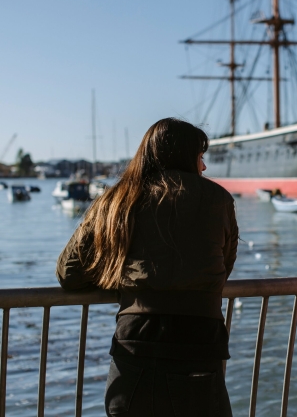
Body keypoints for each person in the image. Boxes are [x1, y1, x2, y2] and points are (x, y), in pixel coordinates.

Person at [56, 118, 239, 417]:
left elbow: (69, 273)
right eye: (200, 157)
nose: (203, 167)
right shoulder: (218, 199)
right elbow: (223, 267)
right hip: (199, 344)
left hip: (136, 345)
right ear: (185, 157)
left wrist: (125, 277)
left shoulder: (116, 200)